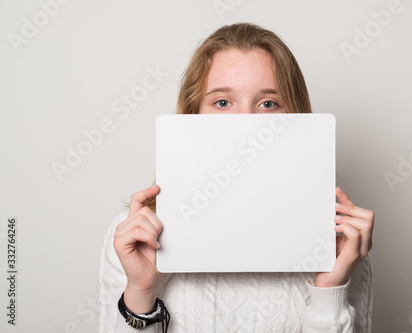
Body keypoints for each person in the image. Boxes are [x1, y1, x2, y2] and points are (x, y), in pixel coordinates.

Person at [98, 22, 374, 332]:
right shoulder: (134, 238)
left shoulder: (339, 244)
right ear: (193, 115)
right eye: (222, 102)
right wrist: (141, 291)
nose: (246, 123)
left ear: (296, 115)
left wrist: (329, 291)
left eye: (268, 103)